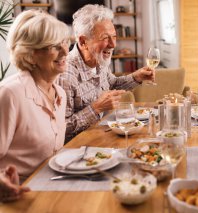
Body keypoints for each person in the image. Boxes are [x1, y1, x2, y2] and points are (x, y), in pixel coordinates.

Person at [58, 4, 155, 142]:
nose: (113, 44)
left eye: (114, 37)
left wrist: (136, 77)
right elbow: (60, 129)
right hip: (79, 148)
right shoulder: (65, 75)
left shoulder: (99, 60)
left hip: (103, 136)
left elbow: (112, 84)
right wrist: (96, 108)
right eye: (105, 38)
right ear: (83, 41)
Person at [0, 10, 70, 181]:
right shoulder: (10, 94)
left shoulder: (60, 93)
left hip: (53, 184)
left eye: (64, 42)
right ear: (30, 56)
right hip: (17, 194)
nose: (65, 51)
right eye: (54, 46)